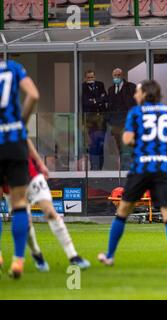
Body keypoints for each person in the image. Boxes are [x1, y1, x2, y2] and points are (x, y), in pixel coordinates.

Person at [98, 80, 167, 268]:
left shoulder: (136, 113)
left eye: (137, 91)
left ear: (145, 93)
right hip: (163, 168)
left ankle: (110, 255)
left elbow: (127, 138)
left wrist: (137, 142)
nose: (134, 95)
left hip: (141, 168)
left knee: (122, 211)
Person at [1, 139, 91, 272]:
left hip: (31, 175)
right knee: (26, 223)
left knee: (50, 212)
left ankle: (73, 256)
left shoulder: (13, 121)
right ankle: (36, 253)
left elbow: (25, 139)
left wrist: (40, 162)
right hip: (11, 184)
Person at [0, 60, 39, 278]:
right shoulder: (14, 68)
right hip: (14, 141)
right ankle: (18, 260)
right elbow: (33, 95)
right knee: (19, 203)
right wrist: (20, 123)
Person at [107, 68, 136, 167]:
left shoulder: (131, 87)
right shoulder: (111, 89)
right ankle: (123, 168)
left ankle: (127, 169)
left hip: (127, 122)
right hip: (115, 123)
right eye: (115, 75)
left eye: (119, 75)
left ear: (122, 75)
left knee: (127, 147)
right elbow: (110, 106)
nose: (117, 77)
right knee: (118, 147)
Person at [82, 70, 108, 170]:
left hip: (101, 121)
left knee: (100, 145)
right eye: (88, 78)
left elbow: (105, 98)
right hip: (90, 121)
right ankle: (94, 168)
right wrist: (98, 100)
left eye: (92, 77)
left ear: (95, 77)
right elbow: (85, 102)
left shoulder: (100, 85)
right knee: (93, 145)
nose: (90, 79)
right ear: (85, 78)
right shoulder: (83, 87)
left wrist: (94, 101)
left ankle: (100, 168)